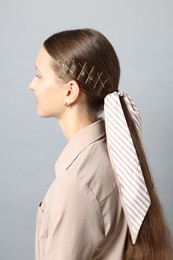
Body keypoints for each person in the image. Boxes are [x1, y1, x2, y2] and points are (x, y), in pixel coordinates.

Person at [29, 28, 172, 260]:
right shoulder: (115, 150)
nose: (31, 85)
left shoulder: (75, 185)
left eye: (39, 75)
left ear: (70, 91)